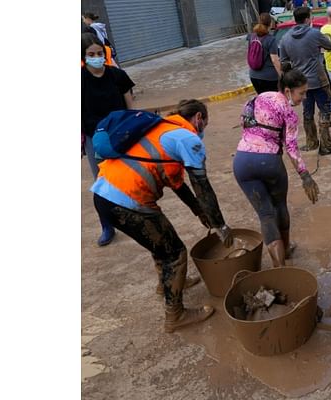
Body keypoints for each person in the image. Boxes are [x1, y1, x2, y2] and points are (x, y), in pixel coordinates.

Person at [91, 99, 233, 332]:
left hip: (104, 196)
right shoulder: (187, 138)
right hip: (127, 201)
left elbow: (178, 185)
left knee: (161, 243)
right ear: (199, 118)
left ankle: (165, 284)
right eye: (205, 123)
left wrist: (198, 210)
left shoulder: (160, 129)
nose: (204, 128)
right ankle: (175, 314)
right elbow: (202, 186)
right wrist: (221, 225)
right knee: (175, 254)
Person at [234, 66, 320, 268]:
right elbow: (291, 148)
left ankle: (279, 269)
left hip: (242, 162)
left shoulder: (258, 98)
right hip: (269, 163)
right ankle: (287, 249)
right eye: (302, 93)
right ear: (288, 90)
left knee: (265, 214)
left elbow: (244, 123)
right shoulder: (289, 113)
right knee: (279, 206)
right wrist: (305, 176)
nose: (304, 97)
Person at [82, 33, 135, 246]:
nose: (96, 57)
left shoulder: (117, 76)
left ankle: (132, 219)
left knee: (127, 178)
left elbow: (129, 104)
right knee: (102, 183)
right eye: (91, 54)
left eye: (99, 53)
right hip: (94, 138)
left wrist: (134, 128)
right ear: (83, 57)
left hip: (121, 134)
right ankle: (107, 225)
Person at [278, 6, 331, 155]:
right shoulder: (314, 33)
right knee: (324, 111)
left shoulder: (285, 38)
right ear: (307, 19)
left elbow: (284, 63)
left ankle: (311, 142)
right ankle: (326, 146)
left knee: (307, 112)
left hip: (300, 84)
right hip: (319, 79)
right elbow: (330, 46)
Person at [248, 13, 283, 94]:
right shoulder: (271, 39)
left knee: (263, 102)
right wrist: (282, 76)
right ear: (270, 24)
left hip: (253, 76)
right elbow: (274, 60)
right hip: (269, 78)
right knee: (272, 103)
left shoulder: (251, 36)